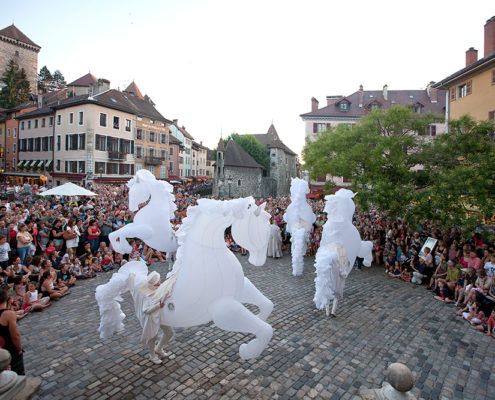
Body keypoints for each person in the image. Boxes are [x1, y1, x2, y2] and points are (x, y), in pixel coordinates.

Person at [0, 288, 24, 374]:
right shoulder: (8, 314)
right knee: (18, 374)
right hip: (9, 351)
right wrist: (19, 349)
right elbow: (15, 336)